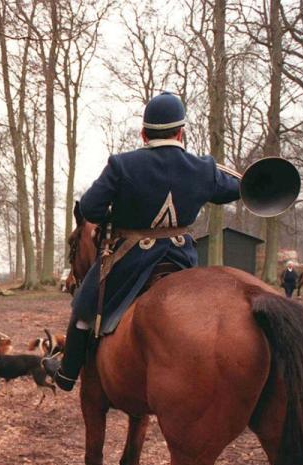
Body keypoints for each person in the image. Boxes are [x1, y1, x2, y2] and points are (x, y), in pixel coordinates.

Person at [44, 92, 241, 391]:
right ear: (180, 132)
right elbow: (237, 188)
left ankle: (67, 373)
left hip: (131, 259)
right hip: (183, 261)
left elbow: (90, 209)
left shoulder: (122, 165)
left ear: (143, 133)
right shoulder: (203, 168)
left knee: (84, 302)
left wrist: (117, 216)